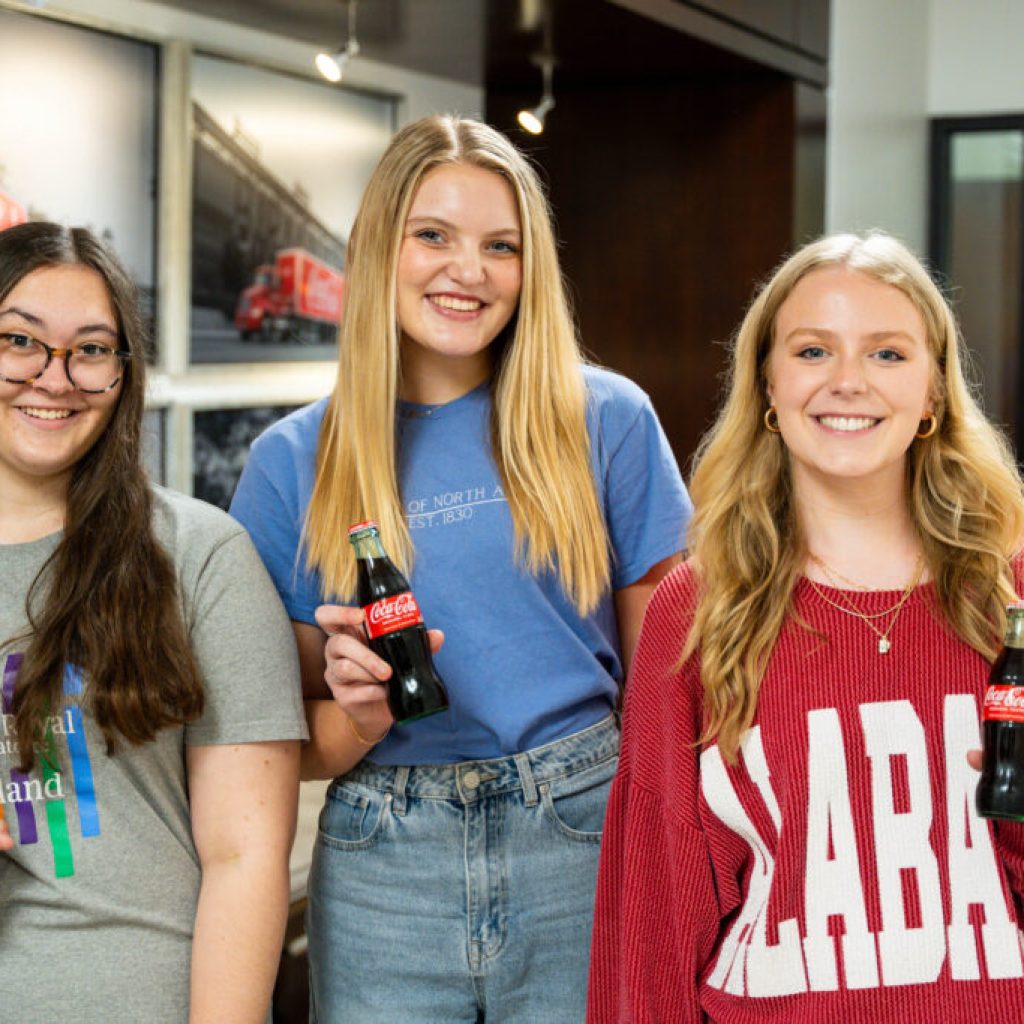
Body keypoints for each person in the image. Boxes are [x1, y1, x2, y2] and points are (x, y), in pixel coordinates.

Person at [229, 114, 690, 1022]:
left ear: (532, 268)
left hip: (584, 836)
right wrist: (357, 716)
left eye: (500, 246)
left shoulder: (609, 420)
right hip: (381, 863)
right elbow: (279, 742)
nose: (468, 270)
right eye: (432, 235)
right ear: (377, 249)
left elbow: (671, 690)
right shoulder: (290, 464)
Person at [588, 231, 1024, 1022]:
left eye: (888, 354)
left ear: (933, 392)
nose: (848, 382)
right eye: (814, 350)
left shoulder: (1014, 599)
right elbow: (655, 910)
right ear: (768, 384)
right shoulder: (697, 611)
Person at [0, 222, 306, 1023]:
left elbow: (244, 859)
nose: (54, 377)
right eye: (19, 340)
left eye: (91, 349)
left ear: (124, 373)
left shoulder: (201, 556)